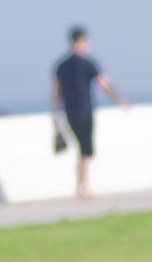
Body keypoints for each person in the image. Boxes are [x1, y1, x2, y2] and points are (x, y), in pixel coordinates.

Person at [51, 26, 130, 199]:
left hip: (69, 112)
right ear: (82, 41)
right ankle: (84, 187)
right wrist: (119, 99)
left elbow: (56, 92)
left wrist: (55, 113)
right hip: (85, 111)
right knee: (86, 149)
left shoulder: (61, 66)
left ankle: (80, 186)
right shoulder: (88, 63)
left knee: (82, 149)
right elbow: (104, 83)